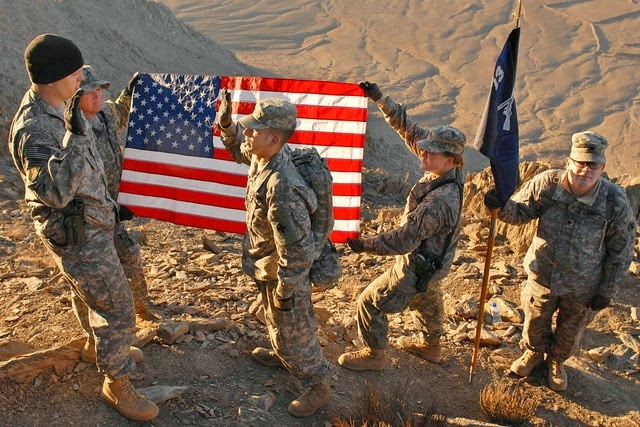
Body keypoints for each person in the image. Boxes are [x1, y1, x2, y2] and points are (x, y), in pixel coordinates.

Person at [8, 34, 158, 420]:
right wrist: (75, 137)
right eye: (75, 73)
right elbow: (54, 193)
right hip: (77, 232)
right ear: (54, 77)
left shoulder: (64, 104)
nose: (82, 79)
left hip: (93, 221)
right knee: (118, 308)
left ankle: (97, 347)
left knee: (91, 293)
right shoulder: (35, 128)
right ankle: (116, 384)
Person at [483, 131, 636, 392]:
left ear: (602, 168)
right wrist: (498, 206)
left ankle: (556, 362)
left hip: (583, 285)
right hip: (543, 274)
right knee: (535, 320)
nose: (586, 170)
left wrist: (606, 290)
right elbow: (519, 213)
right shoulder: (547, 184)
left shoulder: (614, 201)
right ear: (569, 162)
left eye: (593, 165)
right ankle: (533, 353)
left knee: (570, 330)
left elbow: (620, 250)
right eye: (581, 162)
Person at [216, 90, 332, 417]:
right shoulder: (263, 157)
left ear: (274, 138)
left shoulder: (283, 186)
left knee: (293, 330)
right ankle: (284, 355)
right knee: (274, 321)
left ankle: (318, 384)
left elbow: (297, 251)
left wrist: (286, 290)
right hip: (265, 263)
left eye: (254, 129)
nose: (247, 132)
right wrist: (226, 125)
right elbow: (238, 148)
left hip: (284, 273)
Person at [338, 81, 466, 370]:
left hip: (416, 264)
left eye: (430, 153)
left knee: (370, 302)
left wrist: (364, 245)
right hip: (435, 262)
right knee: (427, 295)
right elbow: (411, 131)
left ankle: (374, 355)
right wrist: (381, 100)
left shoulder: (439, 201)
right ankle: (431, 346)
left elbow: (404, 240)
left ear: (449, 160)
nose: (423, 154)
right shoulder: (452, 171)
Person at [78, 65, 158, 323]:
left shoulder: (104, 115)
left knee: (130, 254)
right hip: (87, 220)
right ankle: (95, 330)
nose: (97, 95)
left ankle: (140, 309)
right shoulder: (70, 130)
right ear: (74, 96)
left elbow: (122, 110)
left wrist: (131, 91)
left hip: (113, 214)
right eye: (90, 91)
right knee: (89, 277)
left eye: (99, 89)